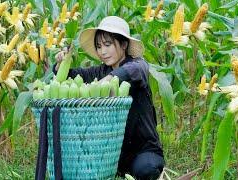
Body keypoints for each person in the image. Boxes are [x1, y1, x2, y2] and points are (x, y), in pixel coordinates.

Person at [53, 16, 164, 180]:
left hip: (143, 149)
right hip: (112, 152)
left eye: (108, 44)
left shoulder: (137, 65)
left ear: (124, 44)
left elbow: (135, 69)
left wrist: (110, 79)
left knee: (145, 169)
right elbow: (73, 76)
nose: (102, 51)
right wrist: (62, 63)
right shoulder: (100, 71)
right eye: (98, 46)